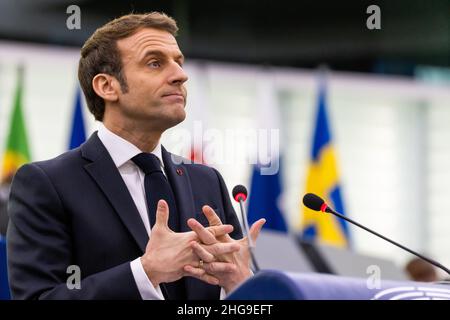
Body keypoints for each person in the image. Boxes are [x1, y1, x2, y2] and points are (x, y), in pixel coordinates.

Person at [6, 12, 265, 300]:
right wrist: (146, 272)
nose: (180, 75)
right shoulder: (48, 184)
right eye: (155, 63)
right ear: (107, 86)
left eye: (178, 62)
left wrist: (241, 284)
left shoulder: (207, 180)